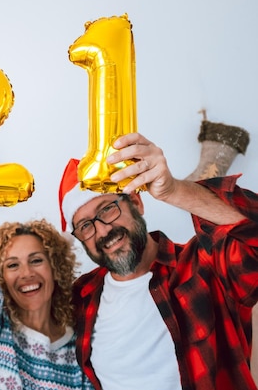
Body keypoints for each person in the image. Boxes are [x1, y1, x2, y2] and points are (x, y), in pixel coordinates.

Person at [57, 132, 258, 390]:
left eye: (107, 209)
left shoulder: (204, 265)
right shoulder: (80, 297)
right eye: (86, 225)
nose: (103, 231)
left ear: (137, 202)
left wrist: (173, 190)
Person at [0, 205, 93, 389]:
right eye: (12, 265)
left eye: (36, 260)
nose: (26, 273)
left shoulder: (79, 346)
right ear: (0, 277)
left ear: (55, 267)